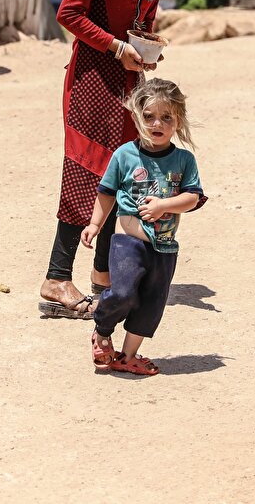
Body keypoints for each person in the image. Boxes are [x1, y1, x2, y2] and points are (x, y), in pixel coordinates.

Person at [39, 0, 166, 319]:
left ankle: (102, 276)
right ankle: (56, 278)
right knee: (85, 172)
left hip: (127, 82)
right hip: (93, 79)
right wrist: (115, 46)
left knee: (120, 174)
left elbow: (138, 18)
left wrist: (146, 46)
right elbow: (69, 12)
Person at [81, 78, 206, 375]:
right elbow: (107, 192)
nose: (156, 123)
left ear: (178, 120)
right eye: (148, 116)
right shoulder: (124, 155)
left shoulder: (184, 159)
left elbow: (192, 197)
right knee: (123, 293)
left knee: (152, 303)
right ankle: (102, 328)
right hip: (128, 240)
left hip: (164, 246)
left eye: (166, 117)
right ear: (137, 117)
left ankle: (128, 356)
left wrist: (164, 206)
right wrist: (95, 223)